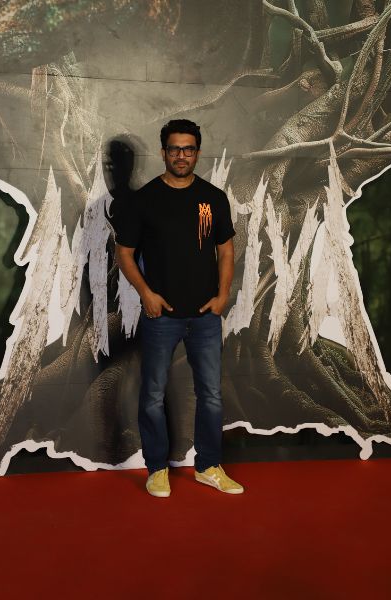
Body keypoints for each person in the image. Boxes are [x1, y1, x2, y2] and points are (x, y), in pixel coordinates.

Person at [115, 119, 244, 498]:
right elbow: (124, 253)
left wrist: (222, 295)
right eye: (174, 149)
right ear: (164, 153)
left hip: (205, 316)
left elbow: (226, 250)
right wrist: (146, 293)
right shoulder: (144, 200)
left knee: (211, 395)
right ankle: (157, 469)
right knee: (153, 394)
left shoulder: (213, 197)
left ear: (197, 153)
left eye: (188, 149)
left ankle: (208, 466)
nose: (181, 155)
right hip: (162, 316)